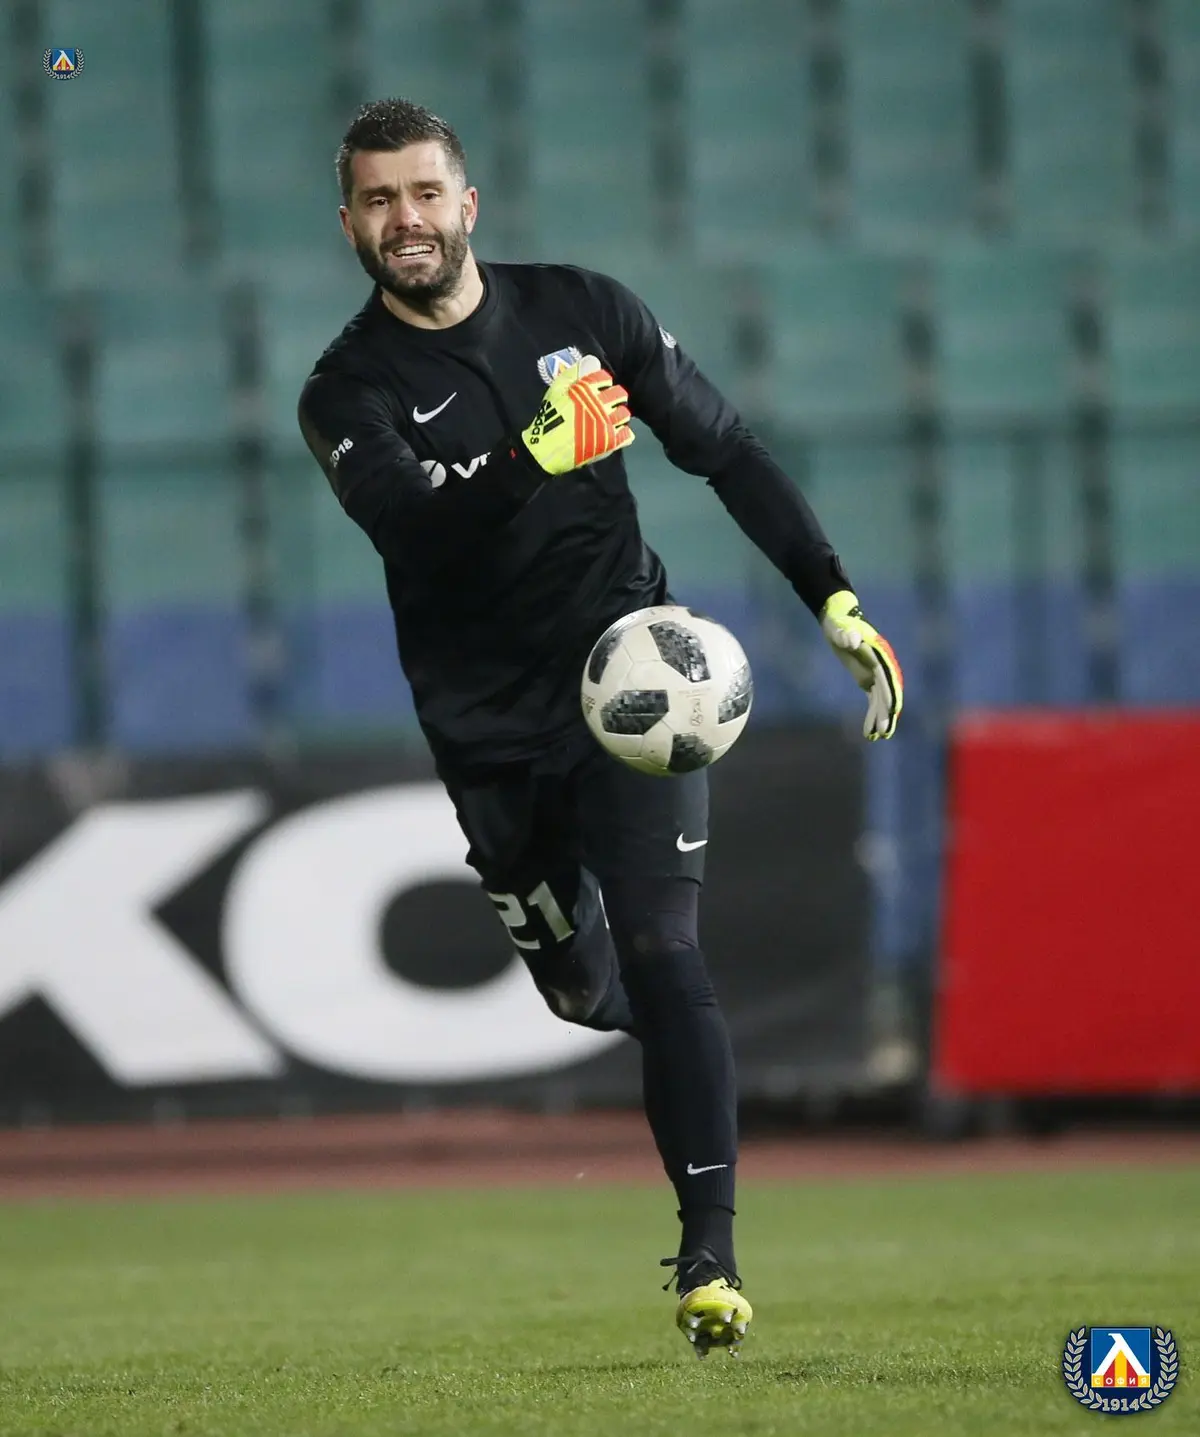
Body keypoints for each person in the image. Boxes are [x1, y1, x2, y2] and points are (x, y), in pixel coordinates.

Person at [298, 98, 903, 1358]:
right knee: (582, 990)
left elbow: (724, 449)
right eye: (379, 200)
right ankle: (642, 1022)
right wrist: (536, 450)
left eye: (425, 193)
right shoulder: (347, 389)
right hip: (486, 732)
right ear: (347, 222)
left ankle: (711, 1260)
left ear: (468, 204)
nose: (406, 219)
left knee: (669, 950)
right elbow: (418, 534)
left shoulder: (586, 311)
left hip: (630, 685)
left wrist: (832, 596)